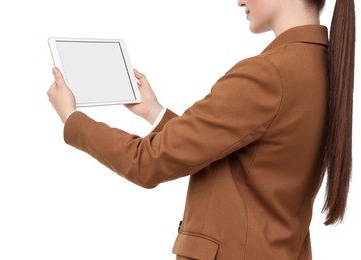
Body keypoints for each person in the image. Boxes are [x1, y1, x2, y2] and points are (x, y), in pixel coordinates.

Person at [47, 0, 355, 259]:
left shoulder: (269, 73)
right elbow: (237, 156)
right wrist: (155, 112)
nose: (239, 0)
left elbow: (146, 163)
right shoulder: (321, 66)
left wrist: (72, 118)